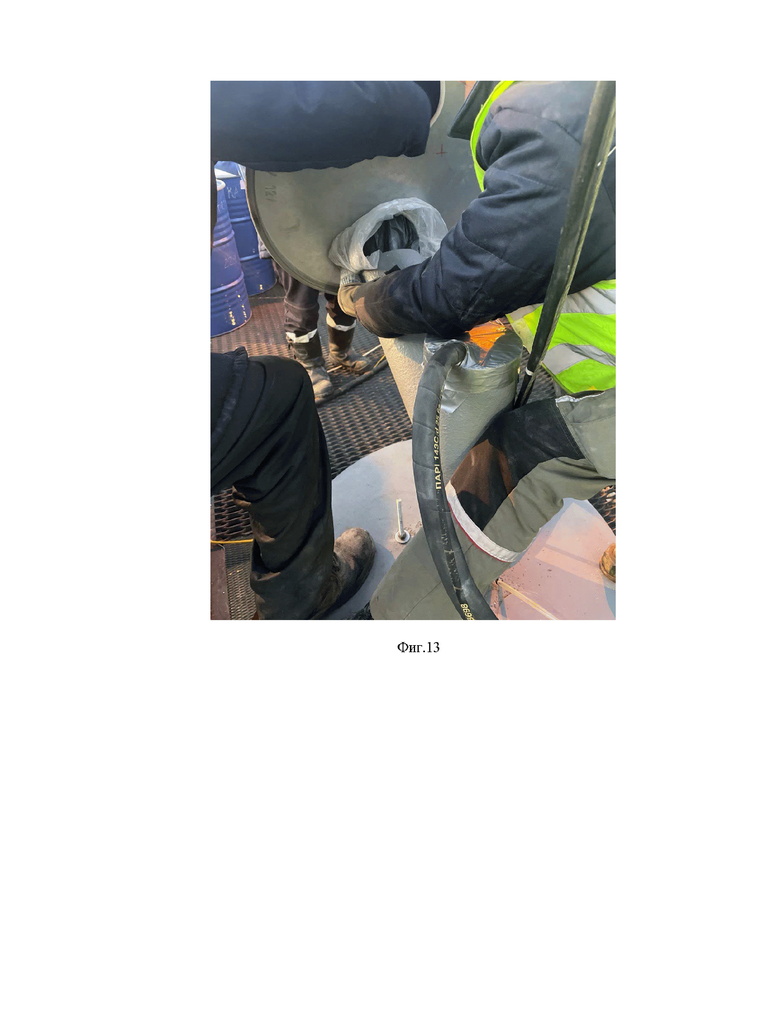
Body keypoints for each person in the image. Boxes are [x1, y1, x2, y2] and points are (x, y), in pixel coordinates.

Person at [337, 81, 616, 619]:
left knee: (512, 459)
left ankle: (396, 620)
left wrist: (364, 303)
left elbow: (458, 286)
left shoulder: (553, 106)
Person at [210, 81, 441, 619]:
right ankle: (301, 594)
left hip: (344, 212)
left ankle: (337, 357)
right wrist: (423, 94)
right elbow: (294, 108)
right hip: (307, 210)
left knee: (342, 297)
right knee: (281, 389)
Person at [273, 263, 368, 402]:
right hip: (293, 251)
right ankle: (312, 366)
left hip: (334, 249)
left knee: (343, 298)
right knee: (301, 306)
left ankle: (341, 351)